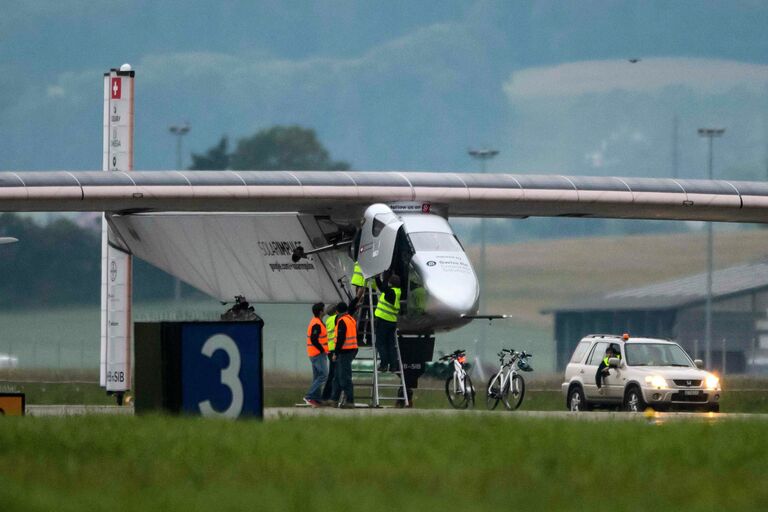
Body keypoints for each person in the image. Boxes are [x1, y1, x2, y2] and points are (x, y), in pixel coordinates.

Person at [331, 301, 358, 408]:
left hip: (344, 351)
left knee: (344, 377)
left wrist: (335, 353)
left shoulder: (342, 321)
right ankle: (334, 399)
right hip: (351, 349)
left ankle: (350, 401)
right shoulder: (350, 319)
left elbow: (341, 339)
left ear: (337, 311)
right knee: (337, 376)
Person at [374, 273, 401, 372]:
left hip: (384, 321)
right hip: (392, 322)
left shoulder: (391, 292)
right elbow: (382, 288)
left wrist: (385, 278)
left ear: (391, 283)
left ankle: (384, 364)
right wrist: (377, 278)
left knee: (380, 343)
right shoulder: (396, 292)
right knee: (391, 344)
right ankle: (393, 366)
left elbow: (383, 287)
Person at [304, 302, 328, 407]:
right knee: (323, 375)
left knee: (317, 376)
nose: (325, 310)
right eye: (324, 309)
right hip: (318, 354)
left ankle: (316, 399)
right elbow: (314, 338)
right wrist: (322, 349)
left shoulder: (316, 321)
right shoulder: (317, 324)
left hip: (314, 353)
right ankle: (309, 396)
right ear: (320, 311)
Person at [320, 304, 338, 402]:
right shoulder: (336, 319)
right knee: (334, 374)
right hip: (335, 349)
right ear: (336, 311)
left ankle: (326, 396)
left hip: (330, 349)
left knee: (332, 373)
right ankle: (328, 396)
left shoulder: (328, 320)